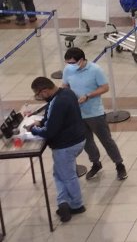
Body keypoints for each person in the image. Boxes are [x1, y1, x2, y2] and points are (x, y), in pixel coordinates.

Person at [61, 47, 127, 181]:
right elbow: (65, 85)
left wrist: (88, 96)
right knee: (86, 142)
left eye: (72, 62)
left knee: (106, 140)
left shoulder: (95, 70)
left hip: (94, 113)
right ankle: (96, 163)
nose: (70, 65)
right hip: (78, 114)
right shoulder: (68, 70)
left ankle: (119, 164)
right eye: (68, 63)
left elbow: (105, 87)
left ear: (81, 60)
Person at [28, 76, 86, 223]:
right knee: (59, 173)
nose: (39, 97)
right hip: (78, 139)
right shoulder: (66, 92)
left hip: (66, 145)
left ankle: (77, 205)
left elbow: (49, 132)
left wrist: (34, 129)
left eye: (38, 94)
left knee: (67, 176)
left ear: (45, 91)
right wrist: (41, 121)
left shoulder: (59, 102)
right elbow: (54, 117)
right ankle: (63, 202)